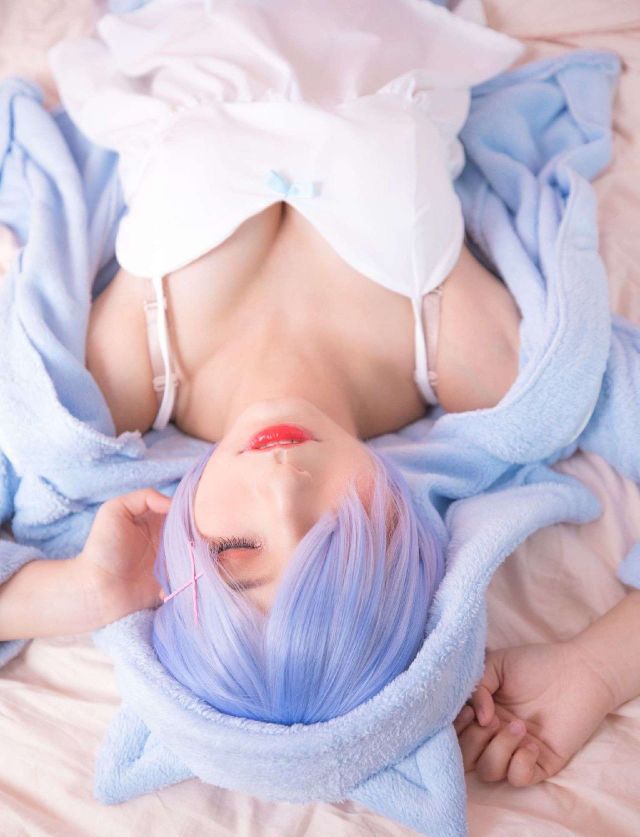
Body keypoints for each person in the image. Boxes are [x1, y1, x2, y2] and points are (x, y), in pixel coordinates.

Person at [0, 0, 638, 789]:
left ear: (176, 559)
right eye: (338, 534)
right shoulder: (486, 367)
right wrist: (595, 670)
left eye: (236, 552)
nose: (283, 487)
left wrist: (85, 591)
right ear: (412, 545)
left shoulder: (108, 386)